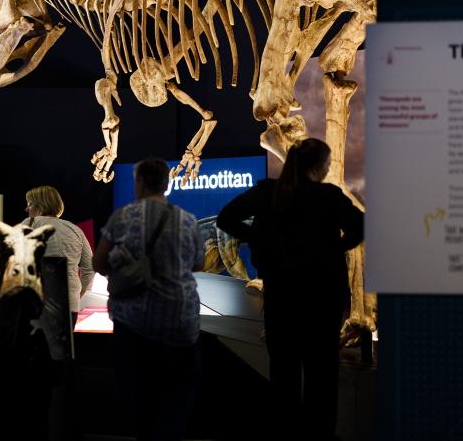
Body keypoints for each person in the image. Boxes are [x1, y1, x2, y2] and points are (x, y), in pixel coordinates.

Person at [216, 138, 363, 439]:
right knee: (322, 382)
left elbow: (226, 218)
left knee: (283, 380)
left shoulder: (267, 192)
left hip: (282, 302)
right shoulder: (328, 196)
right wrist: (334, 247)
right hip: (322, 304)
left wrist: (258, 238)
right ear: (321, 166)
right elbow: (360, 227)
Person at [93, 157, 204, 441]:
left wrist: (123, 271)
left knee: (138, 398)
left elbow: (99, 262)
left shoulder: (122, 217)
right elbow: (199, 264)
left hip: (134, 324)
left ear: (139, 182)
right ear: (167, 184)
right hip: (179, 324)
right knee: (177, 399)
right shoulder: (188, 220)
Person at [24, 185, 93, 326]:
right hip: (69, 306)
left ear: (40, 205)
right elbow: (90, 268)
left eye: (30, 204)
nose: (26, 209)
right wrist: (76, 295)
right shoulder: (76, 230)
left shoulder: (30, 224)